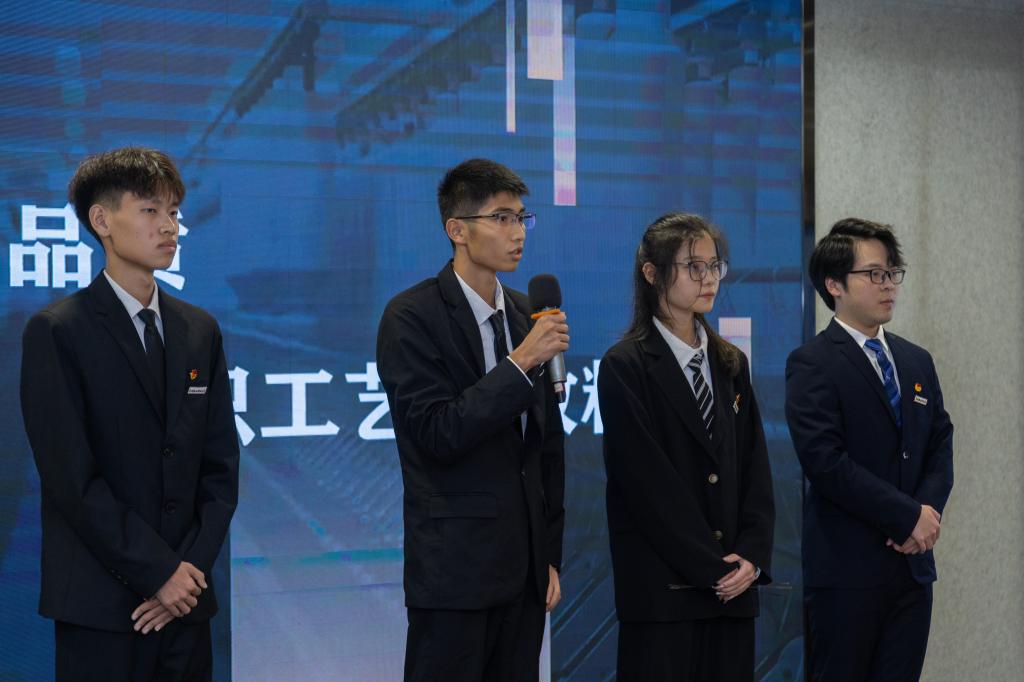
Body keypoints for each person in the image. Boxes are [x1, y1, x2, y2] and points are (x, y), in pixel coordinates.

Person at [19, 147, 240, 681]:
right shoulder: (60, 331)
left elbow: (220, 469)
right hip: (102, 606)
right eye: (149, 210)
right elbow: (72, 480)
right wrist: (158, 573)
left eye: (174, 212)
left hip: (188, 604)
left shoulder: (200, 330)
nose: (169, 226)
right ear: (101, 220)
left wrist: (186, 575)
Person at [376, 158, 567, 682]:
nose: (517, 233)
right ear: (456, 230)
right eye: (501, 218)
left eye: (522, 218)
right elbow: (438, 432)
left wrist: (549, 555)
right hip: (454, 572)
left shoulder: (528, 314)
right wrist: (521, 363)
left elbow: (547, 449)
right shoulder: (411, 316)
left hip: (525, 575)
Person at [598, 212, 775, 681]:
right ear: (652, 273)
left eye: (715, 266)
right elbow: (647, 487)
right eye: (694, 267)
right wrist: (713, 568)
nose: (709, 278)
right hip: (665, 595)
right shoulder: (625, 366)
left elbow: (755, 469)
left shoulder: (730, 362)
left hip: (734, 593)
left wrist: (752, 557)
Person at [785, 218, 954, 682]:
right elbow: (826, 463)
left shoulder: (916, 360)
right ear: (834, 284)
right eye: (874, 274)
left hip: (912, 571)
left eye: (892, 272)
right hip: (847, 575)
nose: (888, 285)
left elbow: (940, 442)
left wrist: (925, 515)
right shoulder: (812, 363)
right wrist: (905, 517)